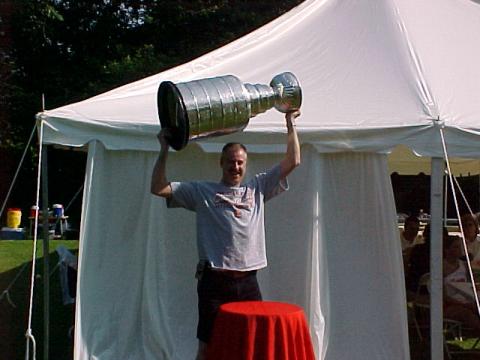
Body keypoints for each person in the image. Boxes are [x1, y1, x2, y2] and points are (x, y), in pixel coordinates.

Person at [151, 110, 301, 360]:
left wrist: (290, 123)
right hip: (214, 283)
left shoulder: (258, 188)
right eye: (231, 161)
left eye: (240, 162)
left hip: (248, 282)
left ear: (246, 164)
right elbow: (158, 187)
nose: (236, 166)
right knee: (209, 347)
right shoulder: (202, 191)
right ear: (221, 163)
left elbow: (294, 160)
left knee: (253, 344)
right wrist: (164, 149)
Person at [443, 235, 480, 333]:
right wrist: (465, 304)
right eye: (455, 247)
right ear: (446, 250)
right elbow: (443, 296)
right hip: (449, 305)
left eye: (460, 247)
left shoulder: (464, 265)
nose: (459, 250)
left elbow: (470, 286)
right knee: (466, 313)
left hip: (468, 299)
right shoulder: (441, 268)